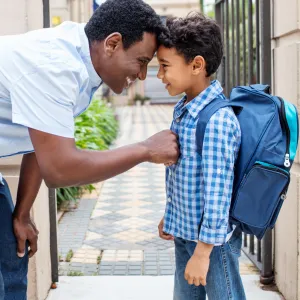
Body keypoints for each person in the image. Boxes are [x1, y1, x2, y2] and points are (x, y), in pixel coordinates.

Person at [0, 0, 179, 298]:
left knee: (12, 260)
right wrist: (146, 149)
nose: (143, 75)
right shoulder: (57, 67)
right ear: (113, 43)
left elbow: (41, 141)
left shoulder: (80, 59)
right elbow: (60, 168)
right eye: (141, 61)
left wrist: (22, 213)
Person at [157, 13, 246, 300]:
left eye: (165, 66)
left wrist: (203, 252)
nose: (159, 75)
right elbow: (184, 174)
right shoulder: (184, 109)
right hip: (185, 235)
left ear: (197, 65)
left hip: (212, 244)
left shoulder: (217, 120)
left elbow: (218, 192)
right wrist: (170, 215)